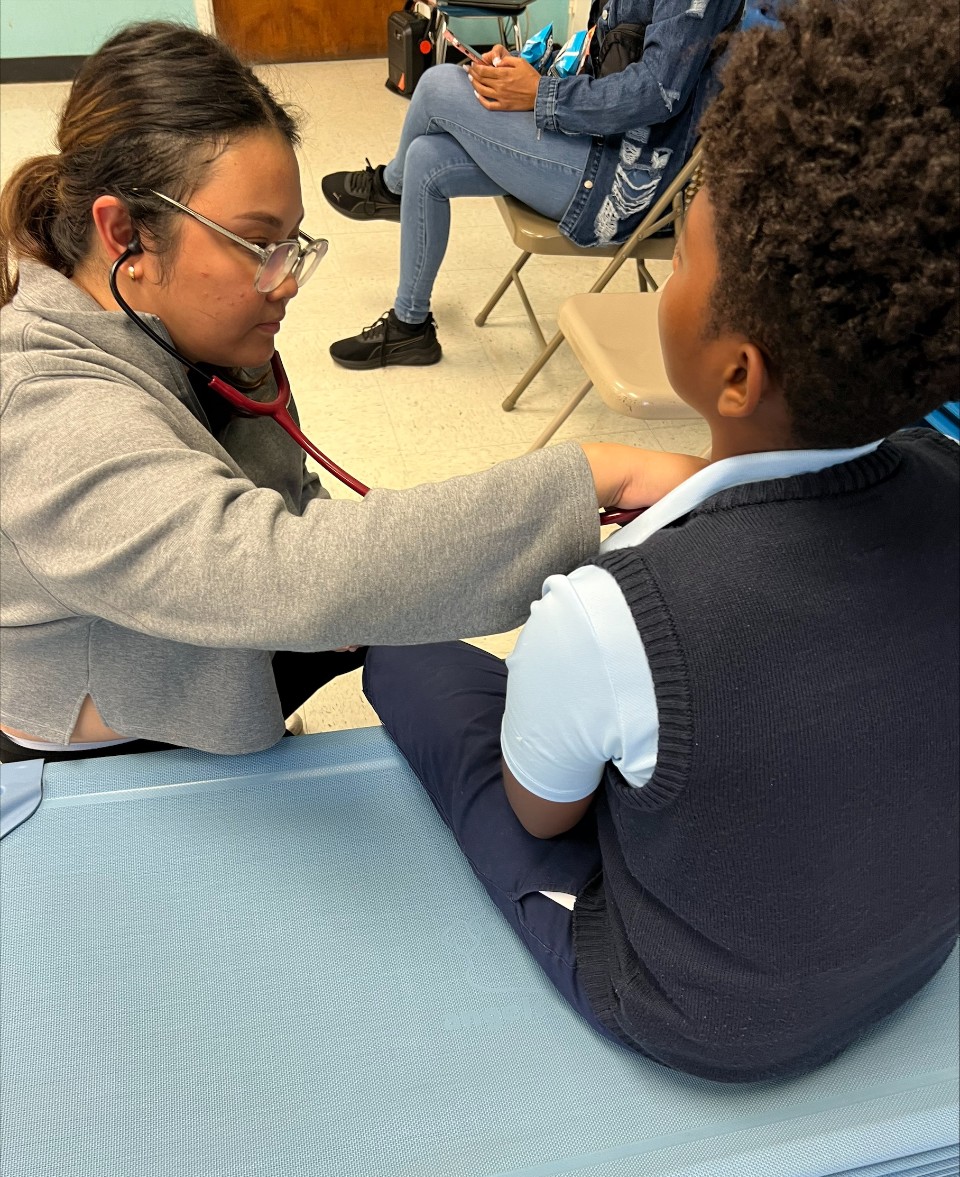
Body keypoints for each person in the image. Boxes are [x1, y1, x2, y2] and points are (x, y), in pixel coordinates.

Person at [363, 0, 960, 1082]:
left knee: (410, 664)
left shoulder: (613, 610)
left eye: (680, 248)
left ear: (734, 372)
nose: (669, 271)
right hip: (914, 951)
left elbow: (545, 811)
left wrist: (605, 629)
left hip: (703, 1016)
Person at [0, 21, 705, 765]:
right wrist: (593, 476)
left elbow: (288, 510)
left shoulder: (190, 332)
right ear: (125, 237)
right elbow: (269, 569)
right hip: (114, 763)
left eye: (292, 244)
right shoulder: (42, 412)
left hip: (221, 666)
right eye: (256, 245)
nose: (288, 279)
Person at [321, 0, 744, 369]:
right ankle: (409, 327)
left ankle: (389, 191)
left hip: (624, 184)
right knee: (426, 158)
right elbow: (601, 57)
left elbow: (654, 93)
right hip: (595, 144)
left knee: (435, 86)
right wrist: (525, 69)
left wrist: (540, 93)